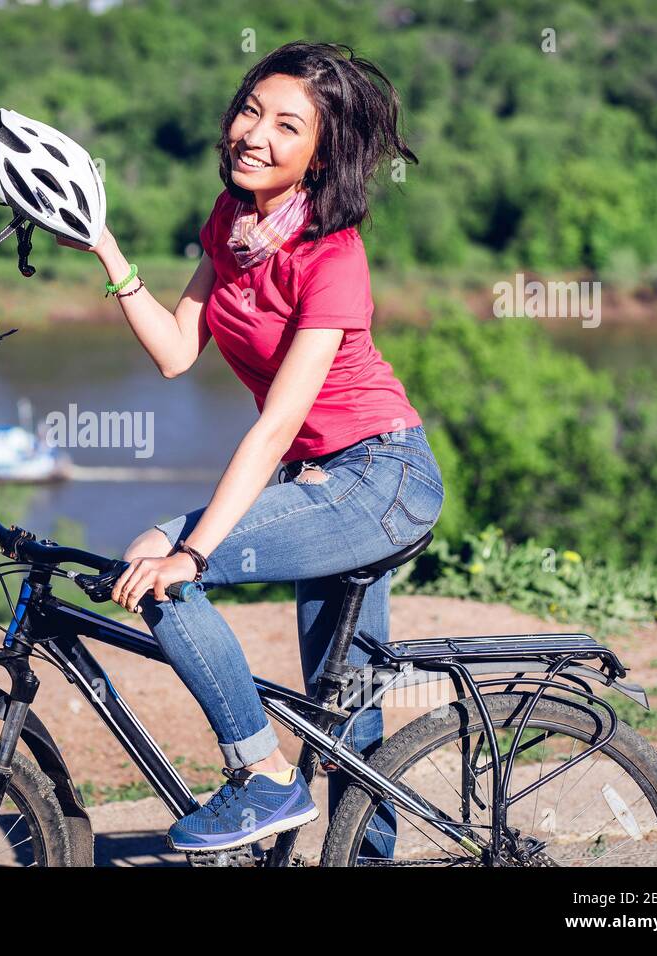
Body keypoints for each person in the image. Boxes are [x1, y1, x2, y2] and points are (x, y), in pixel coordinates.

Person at [55, 41, 445, 854]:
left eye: (286, 124)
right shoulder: (231, 224)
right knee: (347, 701)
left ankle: (262, 777)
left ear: (320, 153)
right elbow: (174, 352)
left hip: (380, 477)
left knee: (160, 571)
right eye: (250, 110)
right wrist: (104, 247)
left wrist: (194, 552)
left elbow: (273, 428)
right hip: (325, 480)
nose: (255, 133)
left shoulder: (332, 257)